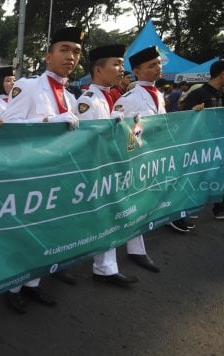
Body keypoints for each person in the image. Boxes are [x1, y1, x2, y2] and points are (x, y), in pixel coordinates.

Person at [0, 27, 86, 313]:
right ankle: (12, 287)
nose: (70, 56)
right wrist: (50, 121)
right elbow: (8, 125)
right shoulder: (30, 85)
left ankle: (33, 285)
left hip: (56, 175)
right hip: (28, 174)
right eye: (64, 49)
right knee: (23, 233)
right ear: (48, 55)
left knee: (46, 231)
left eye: (76, 52)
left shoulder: (71, 97)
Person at [75, 44, 140, 286]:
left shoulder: (108, 96)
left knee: (107, 217)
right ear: (99, 70)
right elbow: (82, 142)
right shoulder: (88, 100)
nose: (121, 69)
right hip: (95, 170)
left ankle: (105, 268)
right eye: (116, 64)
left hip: (109, 167)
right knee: (97, 218)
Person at [112, 46, 166, 272]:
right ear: (137, 71)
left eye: (158, 64)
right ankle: (109, 254)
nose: (158, 68)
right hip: (131, 159)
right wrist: (136, 143)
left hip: (150, 158)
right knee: (123, 205)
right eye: (151, 65)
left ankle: (136, 249)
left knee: (140, 203)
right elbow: (119, 132)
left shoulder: (159, 95)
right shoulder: (130, 98)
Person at [181, 59, 224, 220]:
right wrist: (192, 112)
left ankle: (220, 208)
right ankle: (184, 210)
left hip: (215, 147)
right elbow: (182, 119)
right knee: (194, 177)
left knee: (217, 175)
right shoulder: (198, 93)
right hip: (197, 148)